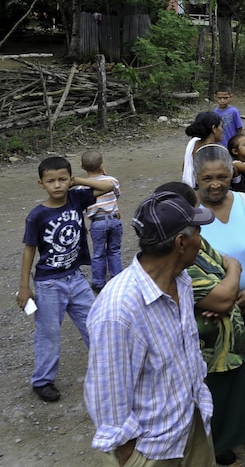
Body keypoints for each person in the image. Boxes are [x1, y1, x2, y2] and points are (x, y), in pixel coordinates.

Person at [85, 191, 216, 465]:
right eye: (198, 233)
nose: (202, 242)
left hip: (190, 422)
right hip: (151, 449)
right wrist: (130, 454)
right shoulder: (118, 309)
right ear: (181, 242)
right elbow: (107, 394)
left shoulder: (181, 282)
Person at [156, 182, 245, 466]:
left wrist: (225, 290)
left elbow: (223, 266)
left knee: (227, 400)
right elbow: (224, 292)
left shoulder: (196, 240)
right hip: (205, 352)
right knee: (208, 406)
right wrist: (230, 278)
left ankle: (220, 443)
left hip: (224, 343)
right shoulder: (179, 260)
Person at [194, 145, 245, 457]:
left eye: (222, 176)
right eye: (207, 178)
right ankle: (219, 431)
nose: (215, 184)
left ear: (232, 173)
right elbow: (180, 264)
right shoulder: (189, 210)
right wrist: (208, 303)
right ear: (196, 178)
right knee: (214, 375)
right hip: (209, 316)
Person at [18, 156, 115, 402]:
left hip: (76, 278)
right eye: (51, 181)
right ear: (41, 184)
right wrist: (24, 287)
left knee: (95, 322)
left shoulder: (76, 198)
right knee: (48, 333)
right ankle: (42, 381)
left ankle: (110, 370)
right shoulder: (37, 216)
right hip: (49, 283)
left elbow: (109, 186)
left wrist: (77, 182)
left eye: (63, 179)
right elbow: (29, 249)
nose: (58, 185)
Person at [81, 150, 123, 291]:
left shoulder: (82, 187)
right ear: (101, 165)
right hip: (113, 219)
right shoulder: (112, 181)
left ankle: (98, 283)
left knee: (98, 253)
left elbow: (81, 208)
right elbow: (116, 195)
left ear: (82, 167)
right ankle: (117, 279)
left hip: (97, 222)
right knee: (114, 250)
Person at [182, 111, 223, 187]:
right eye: (221, 126)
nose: (222, 130)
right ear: (214, 128)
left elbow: (185, 166)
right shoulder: (212, 150)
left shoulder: (193, 143)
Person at [214, 84, 243, 148]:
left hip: (232, 145)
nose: (222, 101)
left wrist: (241, 143)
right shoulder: (214, 112)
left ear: (231, 97)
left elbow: (240, 129)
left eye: (225, 98)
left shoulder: (234, 111)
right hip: (219, 145)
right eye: (219, 98)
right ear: (215, 97)